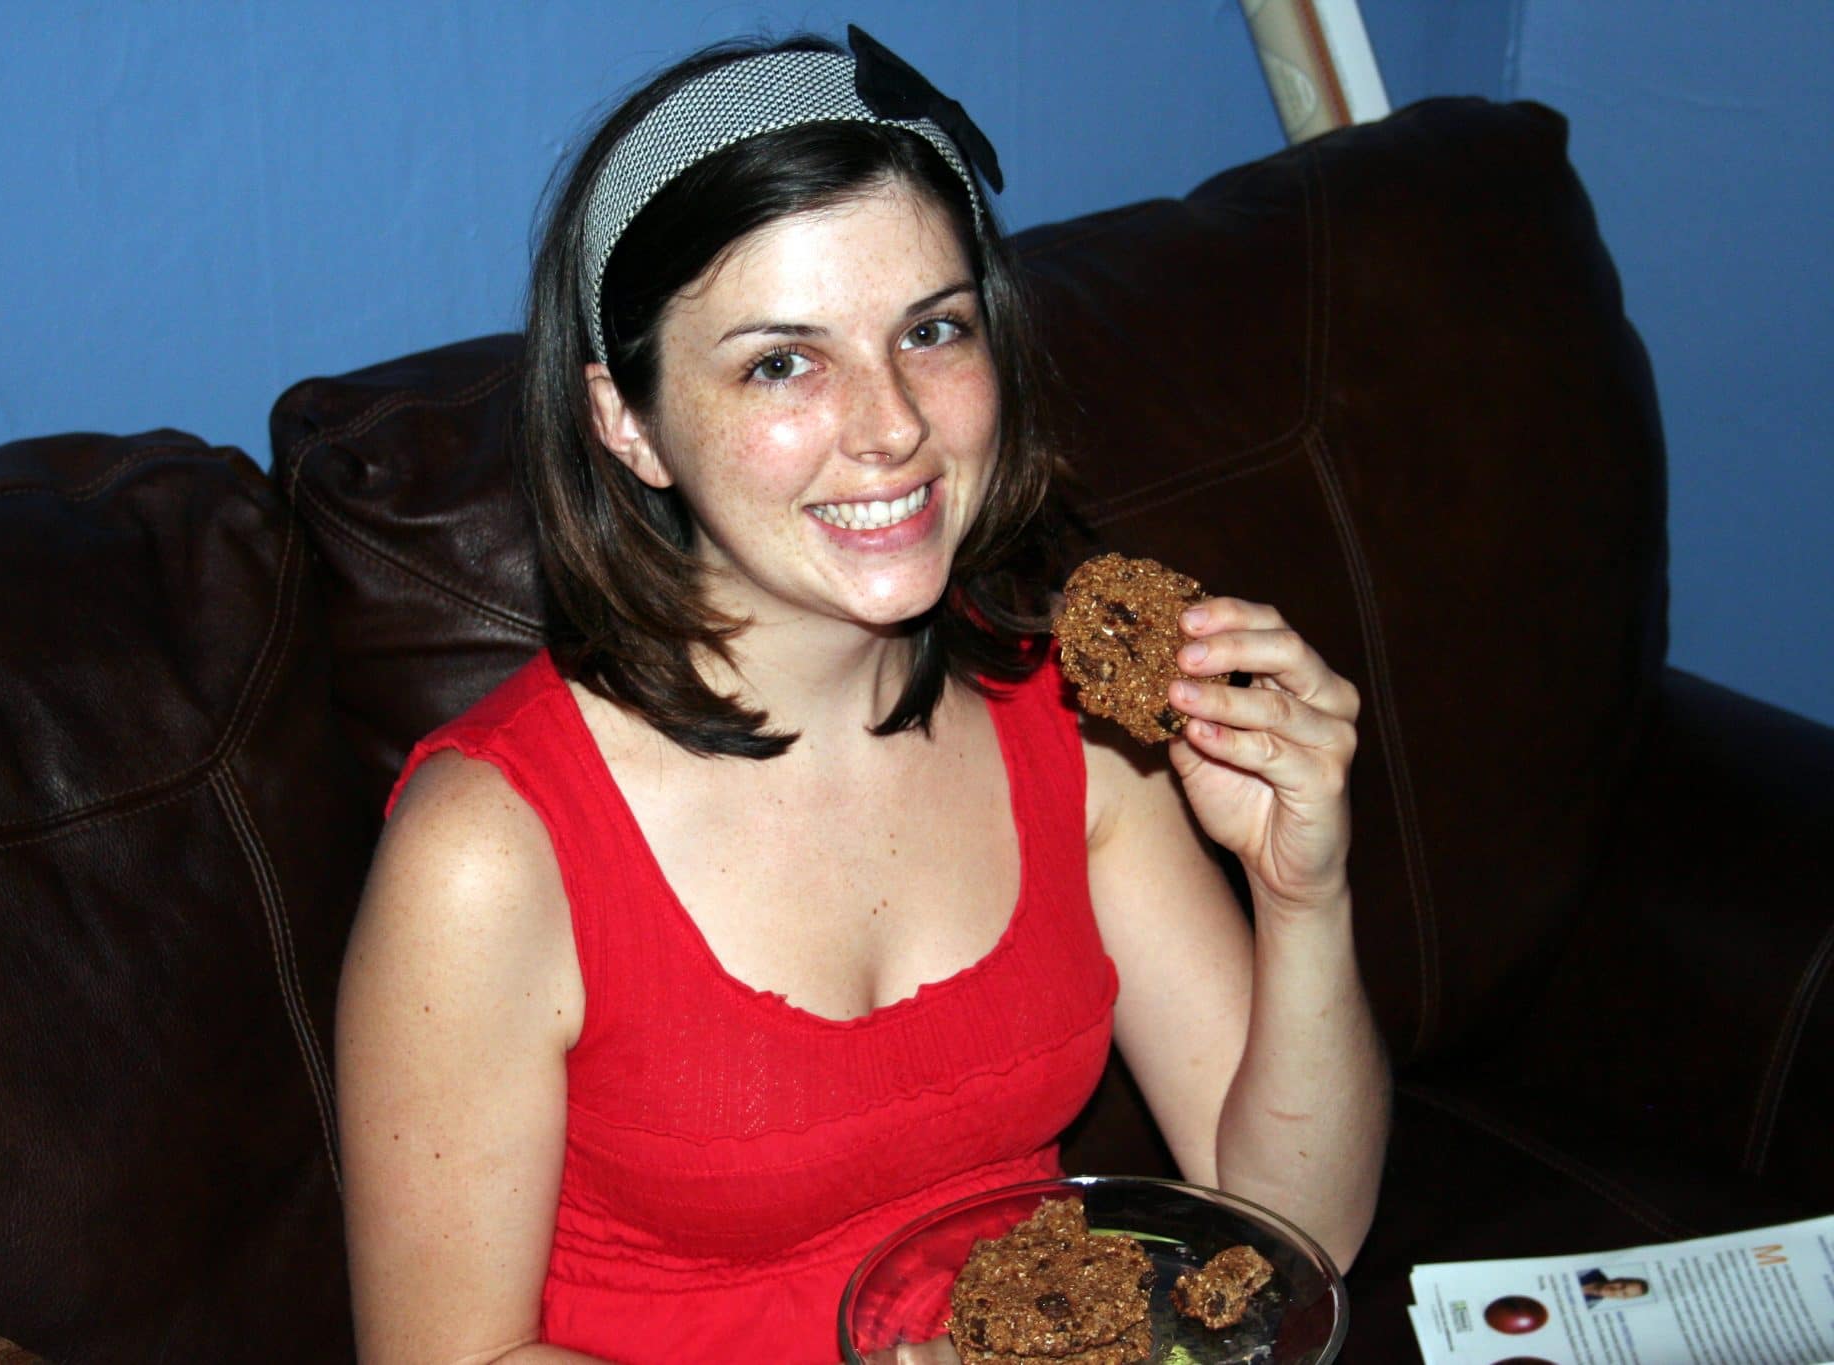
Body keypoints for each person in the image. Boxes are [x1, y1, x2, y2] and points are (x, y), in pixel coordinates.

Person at [334, 26, 1389, 1364]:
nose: (892, 425)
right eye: (783, 360)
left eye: (932, 330)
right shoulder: (490, 851)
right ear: (628, 420)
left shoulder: (1069, 719)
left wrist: (1305, 889)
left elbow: (1296, 1232)